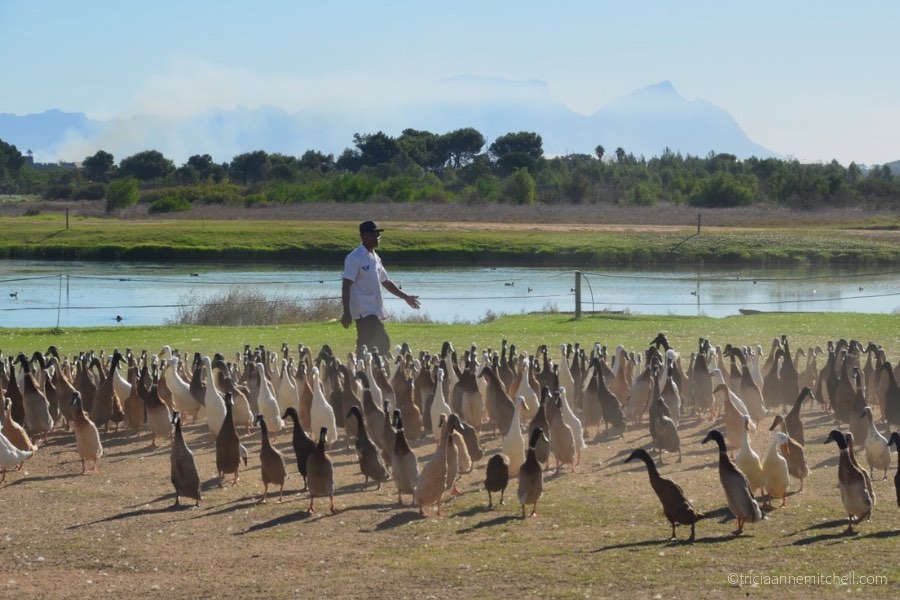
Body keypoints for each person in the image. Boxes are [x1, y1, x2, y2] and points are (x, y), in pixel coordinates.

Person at [341, 220, 420, 358]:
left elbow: (386, 282)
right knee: (382, 341)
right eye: (373, 235)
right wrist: (346, 312)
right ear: (363, 236)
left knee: (366, 342)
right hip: (362, 309)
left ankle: (361, 368)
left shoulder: (376, 258)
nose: (377, 238)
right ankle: (368, 366)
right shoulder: (354, 258)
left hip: (374, 308)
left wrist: (405, 297)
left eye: (378, 235)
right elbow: (346, 285)